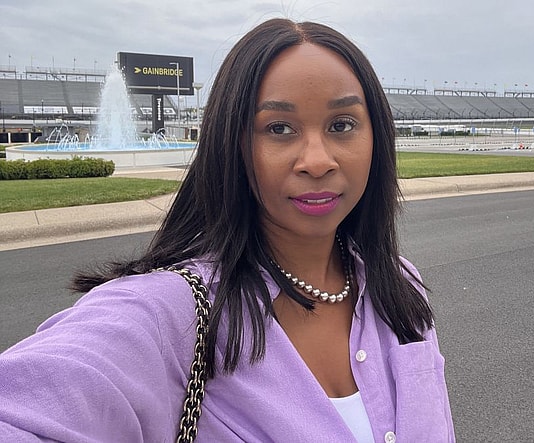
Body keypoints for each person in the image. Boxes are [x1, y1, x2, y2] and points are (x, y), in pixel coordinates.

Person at [0, 18, 455, 442]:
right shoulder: (171, 310)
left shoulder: (400, 283)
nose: (318, 161)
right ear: (232, 144)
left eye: (342, 125)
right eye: (279, 128)